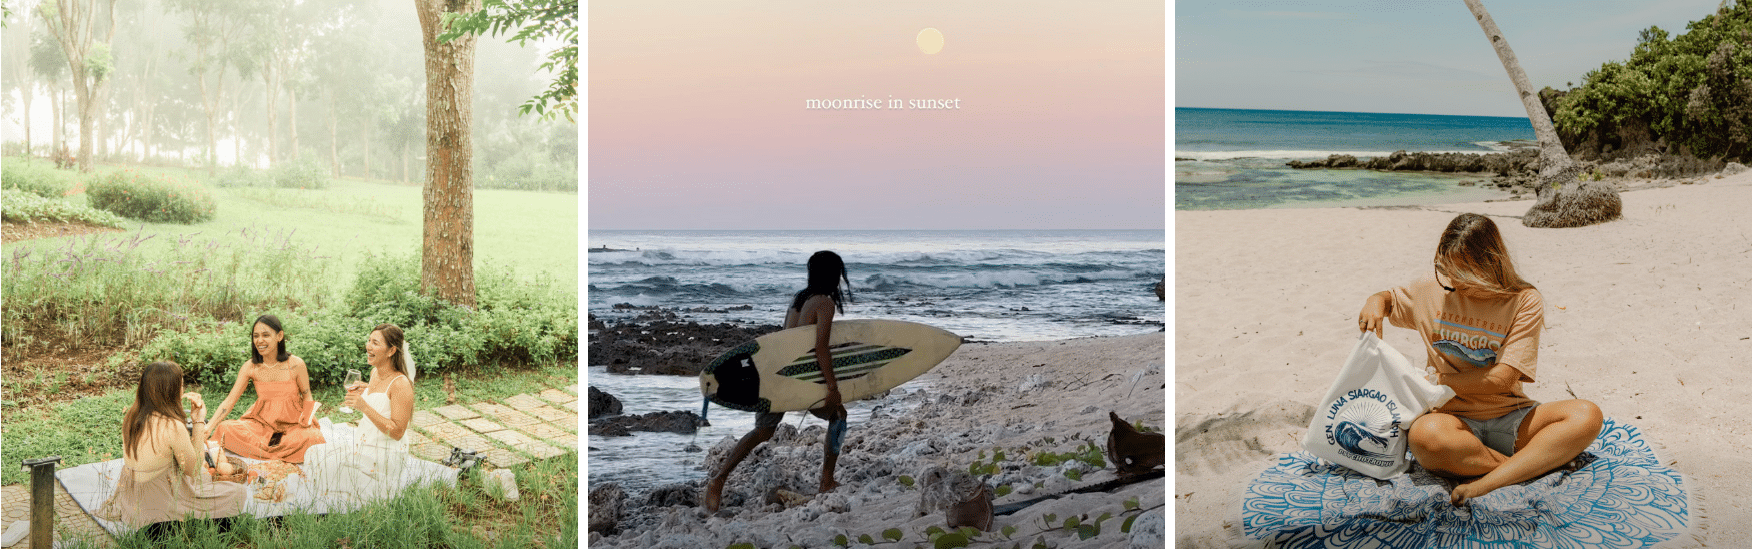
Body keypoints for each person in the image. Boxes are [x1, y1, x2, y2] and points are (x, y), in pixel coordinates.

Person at [1357, 213, 1603, 505]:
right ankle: (1524, 468)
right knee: (1425, 437)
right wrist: (1375, 301)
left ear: (1490, 264)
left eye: (1464, 275)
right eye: (1447, 272)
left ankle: (1484, 481)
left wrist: (1435, 380)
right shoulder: (1435, 287)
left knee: (1587, 414)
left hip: (1511, 417)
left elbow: (1502, 379)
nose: (1455, 284)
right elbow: (1391, 299)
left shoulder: (1523, 300)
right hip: (1451, 422)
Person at [705, 251, 853, 513]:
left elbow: (784, 339)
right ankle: (827, 481)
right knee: (838, 414)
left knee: (762, 432)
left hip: (776, 374)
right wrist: (832, 387)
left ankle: (718, 481)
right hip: (799, 378)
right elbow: (820, 349)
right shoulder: (824, 304)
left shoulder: (799, 299)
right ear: (833, 275)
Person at [97, 361, 247, 529]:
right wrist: (198, 421)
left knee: (205, 478)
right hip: (157, 502)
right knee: (237, 492)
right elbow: (193, 470)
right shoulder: (172, 425)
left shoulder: (132, 415)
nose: (182, 390)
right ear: (171, 390)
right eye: (181, 385)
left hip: (130, 496)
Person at [302, 324, 415, 502]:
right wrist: (367, 390)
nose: (368, 346)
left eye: (375, 343)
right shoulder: (374, 372)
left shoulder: (401, 384)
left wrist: (364, 406)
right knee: (313, 453)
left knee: (326, 469)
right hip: (363, 442)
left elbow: (397, 432)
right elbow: (383, 398)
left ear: (391, 350)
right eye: (369, 340)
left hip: (384, 453)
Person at [208, 314, 325, 462]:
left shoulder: (296, 364)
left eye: (265, 335)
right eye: (256, 336)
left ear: (279, 336)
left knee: (313, 437)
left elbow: (307, 396)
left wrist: (307, 420)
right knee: (225, 428)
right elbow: (230, 400)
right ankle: (277, 454)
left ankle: (268, 453)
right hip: (261, 425)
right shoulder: (250, 366)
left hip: (293, 425)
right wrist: (209, 427)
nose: (260, 340)